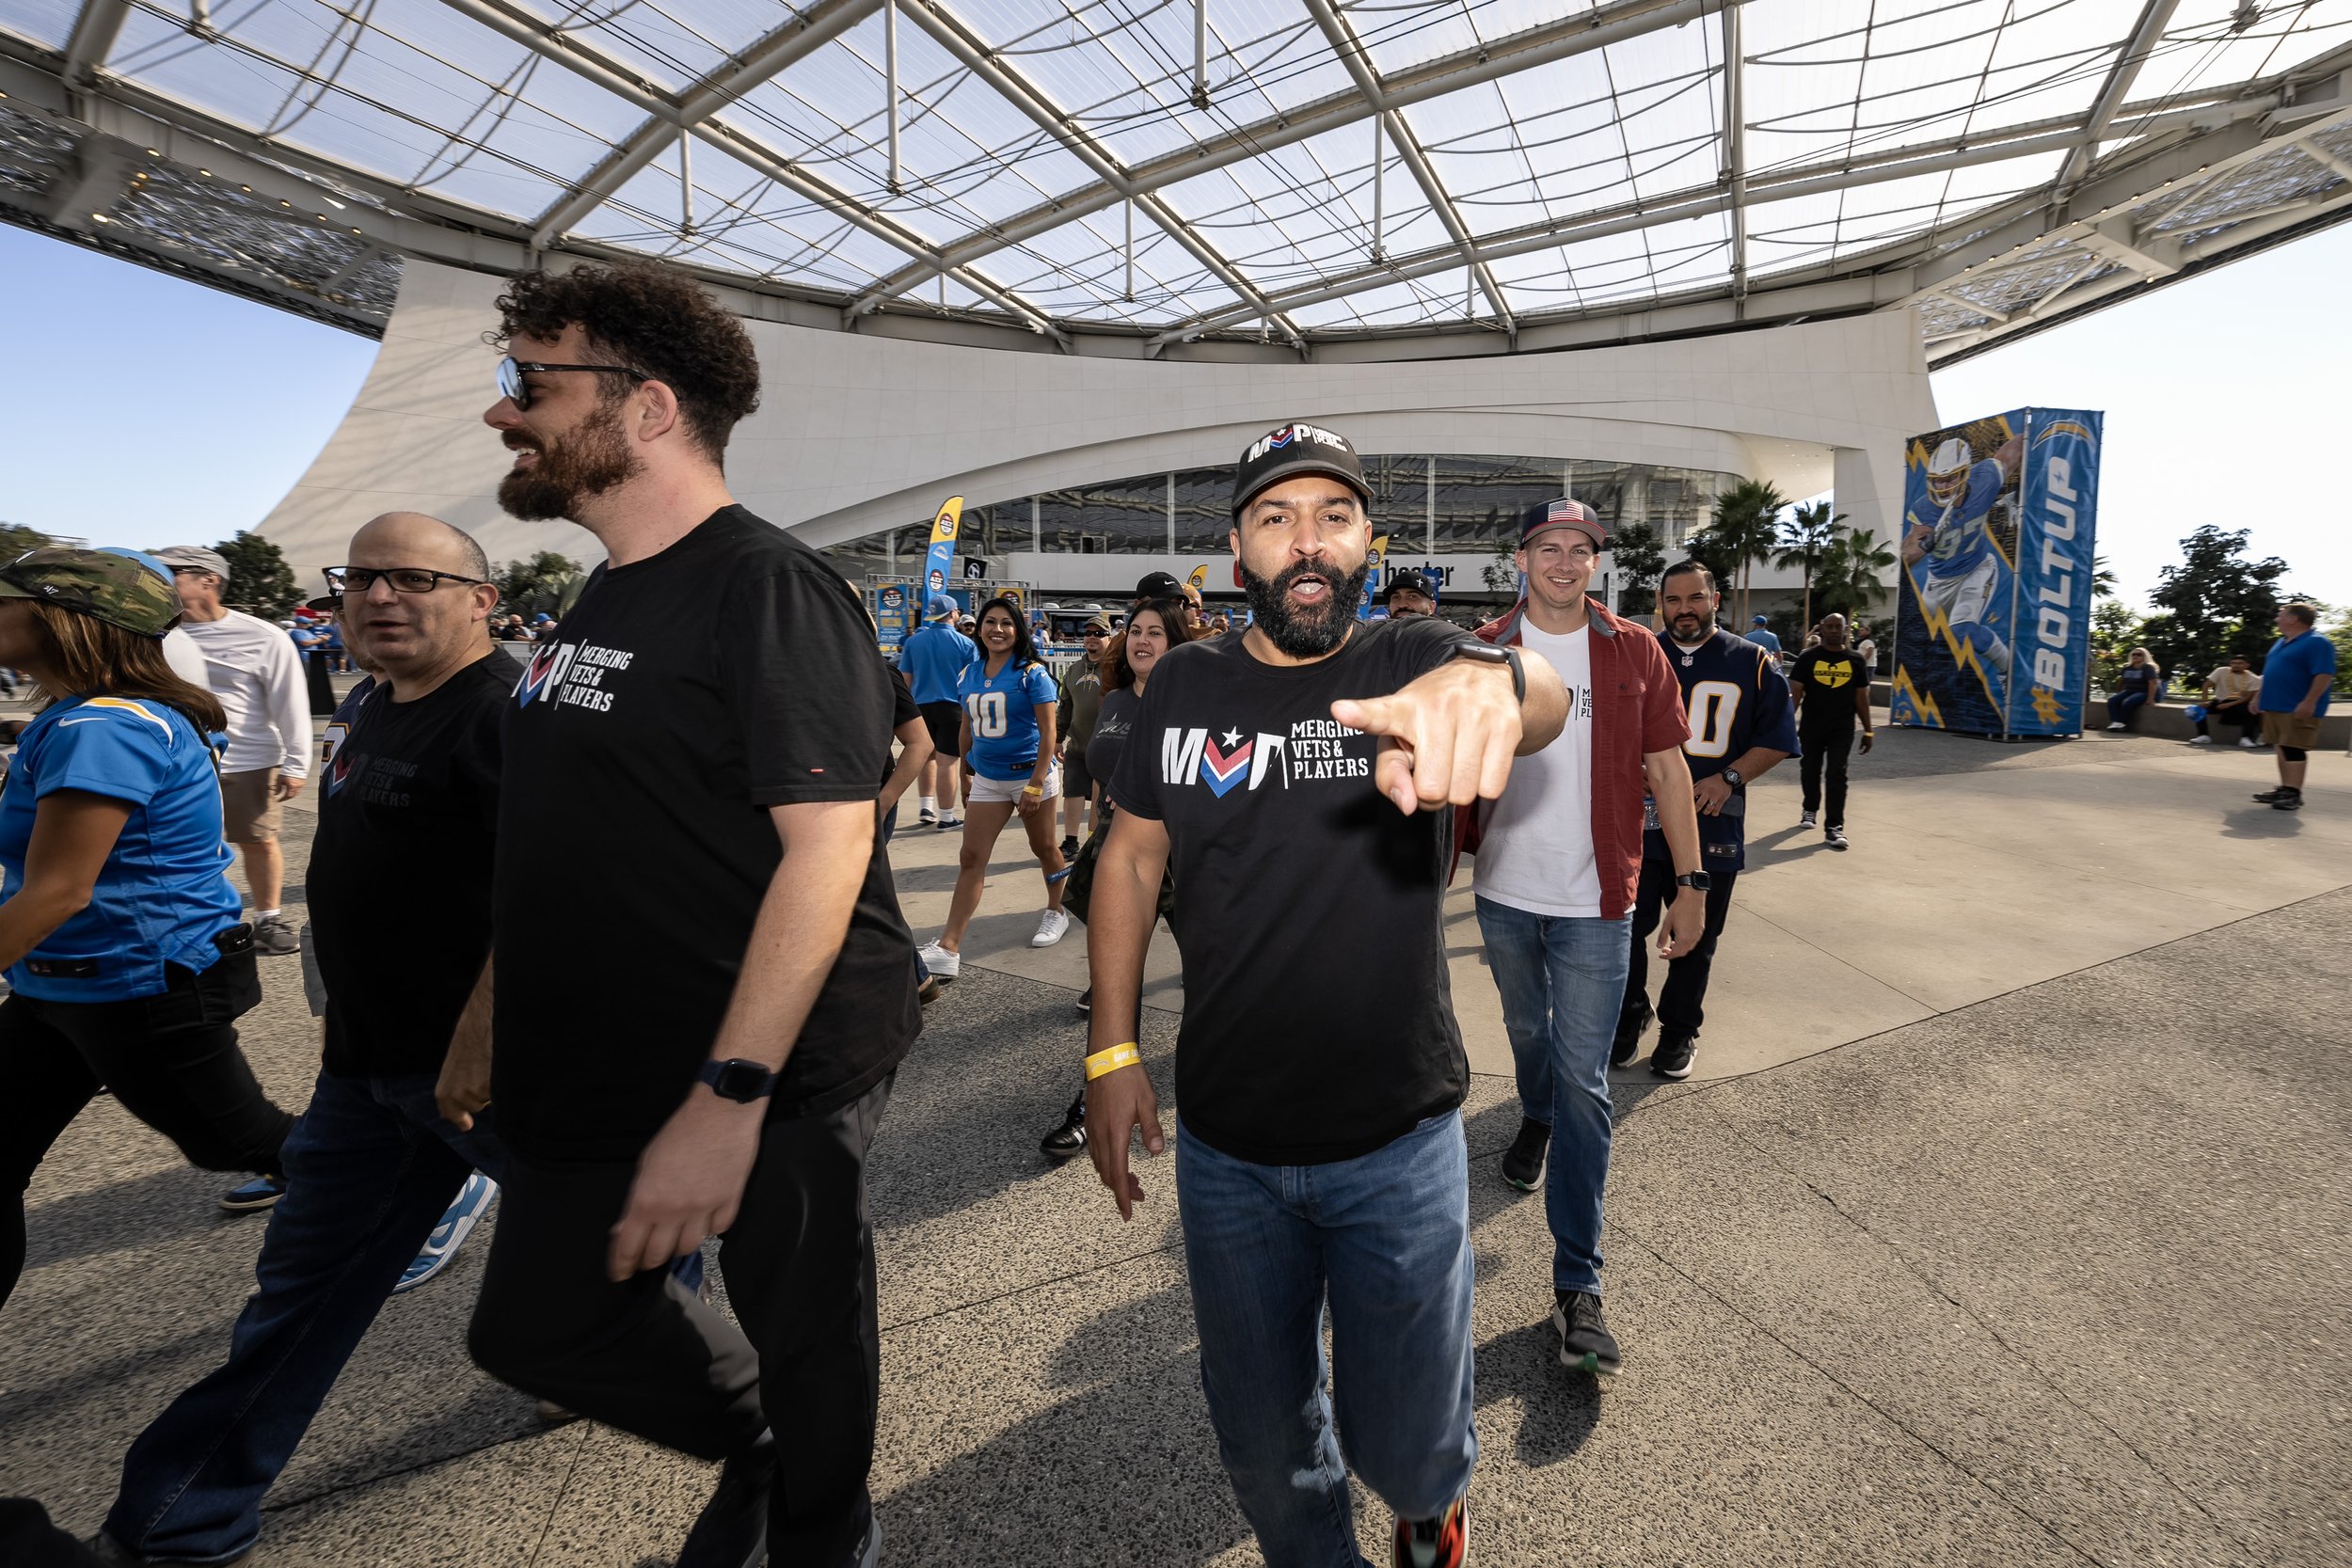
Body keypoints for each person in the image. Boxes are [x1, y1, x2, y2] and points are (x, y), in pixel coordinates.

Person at [468, 261, 918, 1568]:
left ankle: (824, 1530)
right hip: (602, 1055)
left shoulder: (765, 586)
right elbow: (566, 829)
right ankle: (768, 1448)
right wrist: (487, 1011)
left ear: (647, 407)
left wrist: (730, 1097)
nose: (507, 414)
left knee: (808, 1320)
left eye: (531, 384)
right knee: (532, 1324)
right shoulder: (603, 588)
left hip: (769, 1059)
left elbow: (831, 844)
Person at [1085, 420, 1568, 1568]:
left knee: (1406, 1444)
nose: (1306, 541)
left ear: (1368, 541)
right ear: (1239, 553)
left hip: (1394, 1140)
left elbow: (1532, 693)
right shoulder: (1187, 681)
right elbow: (1129, 857)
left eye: (1332, 516)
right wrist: (1110, 1053)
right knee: (1259, 1444)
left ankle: (1426, 1503)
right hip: (1227, 1146)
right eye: (1274, 517)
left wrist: (1493, 686)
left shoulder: (1415, 660)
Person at [100, 513, 516, 1563]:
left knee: (617, 1263)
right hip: (364, 1075)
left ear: (481, 599)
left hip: (485, 1073)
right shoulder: (374, 700)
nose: (378, 595)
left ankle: (747, 1418)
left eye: (412, 576)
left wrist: (482, 1039)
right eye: (361, 576)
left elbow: (561, 895)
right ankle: (178, 1519)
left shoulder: (513, 714)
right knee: (297, 1296)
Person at [0, 548, 291, 1309]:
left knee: (238, 1142)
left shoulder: (103, 728)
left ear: (65, 621)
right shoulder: (79, 714)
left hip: (141, 986)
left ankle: (431, 1178)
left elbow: (60, 888)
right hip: (59, 981)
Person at [1463, 499, 1706, 1384]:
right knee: (1531, 1039)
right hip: (1502, 893)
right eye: (1548, 547)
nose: (1565, 562)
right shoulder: (1481, 648)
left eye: (1581, 549)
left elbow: (1668, 767)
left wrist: (1691, 881)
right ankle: (1533, 1113)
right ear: (1520, 557)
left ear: (1598, 563)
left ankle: (1579, 1285)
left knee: (1587, 1077)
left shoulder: (1634, 649)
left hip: (1601, 900)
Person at [1616, 561, 1795, 1079]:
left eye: (1695, 598)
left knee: (1696, 935)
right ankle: (1629, 1017)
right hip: (1641, 824)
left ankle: (1679, 1029)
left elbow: (1778, 738)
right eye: (1673, 600)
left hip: (1712, 822)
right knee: (1622, 928)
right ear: (1660, 603)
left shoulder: (1754, 661)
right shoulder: (1639, 653)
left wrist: (1729, 779)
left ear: (1714, 600)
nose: (1684, 610)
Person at [1037, 596, 1190, 1159]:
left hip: (1187, 858)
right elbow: (1102, 777)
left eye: (1156, 632)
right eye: (1136, 631)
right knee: (1112, 980)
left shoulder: (1199, 700)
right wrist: (1098, 842)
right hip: (1120, 854)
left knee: (1213, 974)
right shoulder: (1116, 698)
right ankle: (1093, 1095)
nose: (1142, 641)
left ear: (1178, 643)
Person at [151, 546, 312, 958]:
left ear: (209, 579)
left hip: (249, 760)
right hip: (176, 761)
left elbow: (290, 702)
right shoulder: (153, 632)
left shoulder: (264, 636)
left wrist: (296, 764)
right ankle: (193, 926)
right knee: (181, 848)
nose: (158, 576)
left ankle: (268, 919)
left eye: (170, 571)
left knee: (258, 841)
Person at [916, 596, 1071, 975]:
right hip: (987, 778)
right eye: (990, 622)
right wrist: (966, 774)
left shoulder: (1032, 673)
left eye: (1005, 622)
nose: (996, 629)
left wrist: (1035, 784)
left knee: (1044, 847)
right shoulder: (969, 673)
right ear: (979, 627)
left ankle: (1057, 910)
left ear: (1018, 630)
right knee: (971, 857)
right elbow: (966, 726)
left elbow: (1049, 734)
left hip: (1029, 775)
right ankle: (949, 947)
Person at [1788, 612, 1875, 847]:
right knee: (1810, 770)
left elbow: (1861, 698)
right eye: (1830, 626)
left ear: (1846, 630)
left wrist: (1868, 731)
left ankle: (1834, 827)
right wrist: (1784, 725)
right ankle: (1810, 809)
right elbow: (1795, 693)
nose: (1835, 630)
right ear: (1822, 629)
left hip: (1842, 728)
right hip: (1811, 726)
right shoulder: (1808, 658)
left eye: (1839, 627)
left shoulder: (1856, 659)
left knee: (1837, 774)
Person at [899, 594, 977, 830]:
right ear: (953, 614)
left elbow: (905, 679)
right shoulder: (965, 643)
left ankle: (926, 807)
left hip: (920, 707)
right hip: (953, 706)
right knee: (947, 763)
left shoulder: (914, 641)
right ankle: (946, 816)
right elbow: (972, 680)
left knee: (926, 759)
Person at [2252, 602, 2337, 813]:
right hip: (2274, 704)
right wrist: (2257, 697)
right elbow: (2269, 674)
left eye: (2280, 615)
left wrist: (2309, 702)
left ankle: (2294, 794)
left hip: (2297, 705)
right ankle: (2285, 789)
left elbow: (2324, 674)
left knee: (2293, 748)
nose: (2276, 619)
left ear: (2293, 619)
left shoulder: (2317, 643)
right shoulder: (2281, 642)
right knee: (2281, 746)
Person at [1056, 615, 1110, 859]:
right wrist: (1058, 738)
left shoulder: (1116, 668)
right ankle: (1070, 842)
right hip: (1078, 745)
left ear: (1109, 638)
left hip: (1105, 746)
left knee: (1100, 799)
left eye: (1099, 634)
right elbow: (1065, 706)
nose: (1092, 637)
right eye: (1088, 633)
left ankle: (1093, 844)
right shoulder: (1073, 669)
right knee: (1072, 791)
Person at [2196, 652, 2263, 748]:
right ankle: (2203, 736)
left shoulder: (2254, 678)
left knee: (2251, 710)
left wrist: (2229, 705)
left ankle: (2245, 738)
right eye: (2233, 663)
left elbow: (2247, 698)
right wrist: (2204, 701)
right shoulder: (2221, 671)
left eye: (2240, 663)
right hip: (2219, 700)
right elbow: (2206, 686)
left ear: (2247, 665)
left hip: (2238, 702)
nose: (2236, 665)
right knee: (2197, 710)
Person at [2104, 646, 2162, 730]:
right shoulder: (2127, 667)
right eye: (2133, 654)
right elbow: (2122, 682)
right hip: (2130, 690)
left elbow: (2153, 683)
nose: (2136, 656)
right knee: (2112, 701)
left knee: (2128, 702)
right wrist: (2119, 694)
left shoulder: (2148, 667)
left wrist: (2150, 699)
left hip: (2144, 692)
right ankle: (2115, 722)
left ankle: (2122, 723)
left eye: (2139, 655)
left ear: (2145, 656)